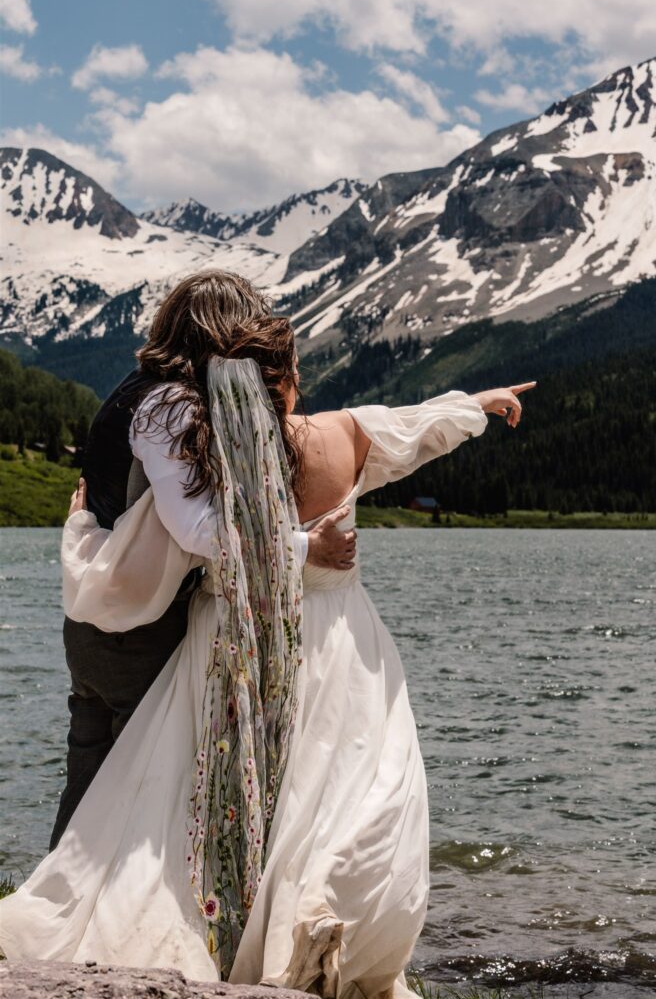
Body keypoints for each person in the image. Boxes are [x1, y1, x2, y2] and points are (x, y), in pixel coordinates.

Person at [0, 271, 534, 998]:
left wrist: (467, 405)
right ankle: (295, 931)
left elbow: (198, 529)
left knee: (143, 796)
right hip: (286, 638)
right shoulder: (307, 430)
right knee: (328, 787)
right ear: (276, 373)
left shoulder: (203, 430)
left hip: (173, 629)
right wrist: (472, 407)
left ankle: (154, 918)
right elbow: (409, 430)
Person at [50, 271, 357, 849]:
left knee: (90, 777)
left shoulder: (132, 389)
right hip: (136, 628)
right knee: (136, 791)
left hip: (93, 618)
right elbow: (198, 530)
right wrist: (302, 548)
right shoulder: (170, 403)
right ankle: (104, 922)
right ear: (218, 330)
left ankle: (51, 912)